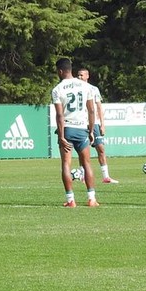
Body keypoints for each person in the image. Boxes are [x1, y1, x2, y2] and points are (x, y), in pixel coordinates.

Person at [51, 58, 98, 207]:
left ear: (60, 71)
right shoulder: (85, 86)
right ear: (71, 69)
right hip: (82, 129)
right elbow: (91, 110)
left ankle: (71, 200)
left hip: (68, 129)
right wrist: (91, 131)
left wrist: (61, 135)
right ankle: (92, 198)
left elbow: (59, 115)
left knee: (66, 164)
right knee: (86, 164)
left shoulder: (57, 89)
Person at [77, 67, 118, 184]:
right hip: (82, 123)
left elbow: (99, 107)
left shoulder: (93, 89)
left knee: (101, 148)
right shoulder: (76, 89)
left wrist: (102, 124)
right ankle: (82, 175)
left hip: (94, 123)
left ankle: (106, 176)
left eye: (81, 75)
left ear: (87, 76)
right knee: (83, 150)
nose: (79, 77)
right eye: (78, 75)